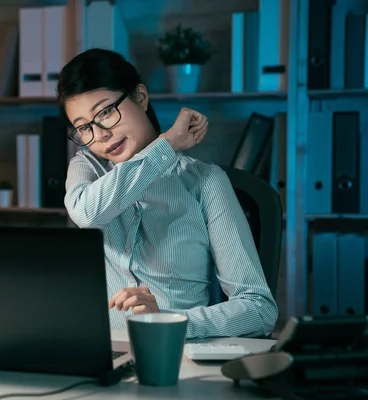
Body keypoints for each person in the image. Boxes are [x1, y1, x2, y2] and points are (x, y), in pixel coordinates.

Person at [57, 49, 278, 339]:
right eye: (83, 127)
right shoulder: (88, 168)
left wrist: (167, 321)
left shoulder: (205, 182)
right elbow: (87, 214)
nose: (99, 135)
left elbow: (259, 309)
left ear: (140, 96)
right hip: (101, 358)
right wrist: (167, 143)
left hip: (178, 357)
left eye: (106, 112)